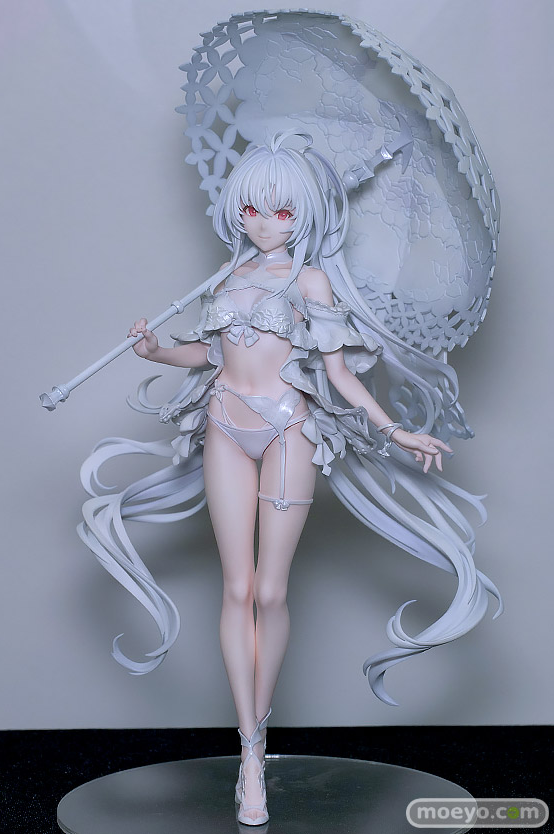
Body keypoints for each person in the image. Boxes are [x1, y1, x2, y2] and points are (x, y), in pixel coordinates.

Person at [80, 132, 500, 826]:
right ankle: (250, 751)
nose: (264, 223)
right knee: (236, 588)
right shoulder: (224, 278)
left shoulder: (311, 283)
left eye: (281, 211)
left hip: (287, 430)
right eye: (251, 209)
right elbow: (208, 355)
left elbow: (339, 375)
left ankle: (257, 741)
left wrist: (394, 430)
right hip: (223, 423)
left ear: (304, 214)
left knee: (270, 591)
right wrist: (156, 350)